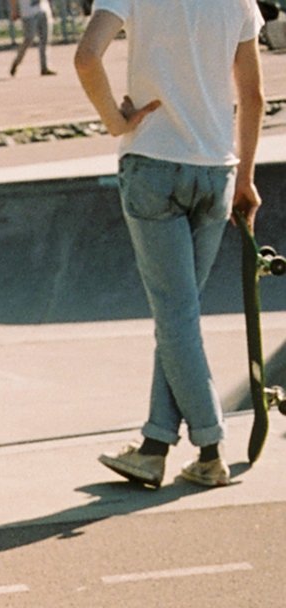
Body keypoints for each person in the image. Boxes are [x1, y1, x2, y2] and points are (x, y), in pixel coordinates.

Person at [79, 0, 265, 490]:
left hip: (154, 165)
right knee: (180, 316)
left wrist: (115, 123)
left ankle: (210, 448)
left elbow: (86, 57)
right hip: (216, 170)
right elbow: (253, 96)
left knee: (175, 316)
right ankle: (155, 447)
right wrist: (245, 176)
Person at [9, 0, 56, 77]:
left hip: (44, 9)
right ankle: (16, 62)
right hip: (28, 12)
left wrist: (52, 7)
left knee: (45, 40)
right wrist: (14, 10)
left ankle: (44, 67)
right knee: (29, 39)